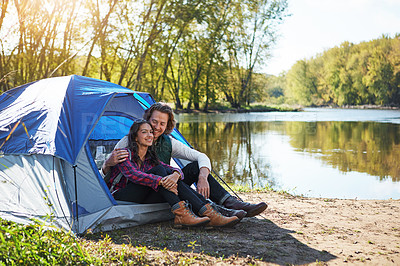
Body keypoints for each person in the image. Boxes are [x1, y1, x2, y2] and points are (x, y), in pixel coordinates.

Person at [102, 103, 267, 218]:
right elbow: (110, 173)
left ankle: (230, 203)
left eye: (162, 123)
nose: (157, 127)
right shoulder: (128, 141)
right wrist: (108, 163)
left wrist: (201, 177)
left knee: (195, 167)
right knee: (161, 171)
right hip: (141, 190)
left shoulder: (168, 142)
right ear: (147, 120)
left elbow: (200, 156)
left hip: (164, 188)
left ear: (167, 126)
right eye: (154, 122)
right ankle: (214, 209)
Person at [107, 119, 239, 228]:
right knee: (160, 172)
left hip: (144, 197)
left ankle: (204, 214)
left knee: (164, 171)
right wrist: (161, 180)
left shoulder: (150, 157)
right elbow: (134, 175)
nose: (149, 135)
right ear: (135, 137)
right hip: (122, 196)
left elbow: (172, 169)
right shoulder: (125, 154)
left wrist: (174, 176)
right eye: (144, 132)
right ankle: (197, 213)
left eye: (151, 132)